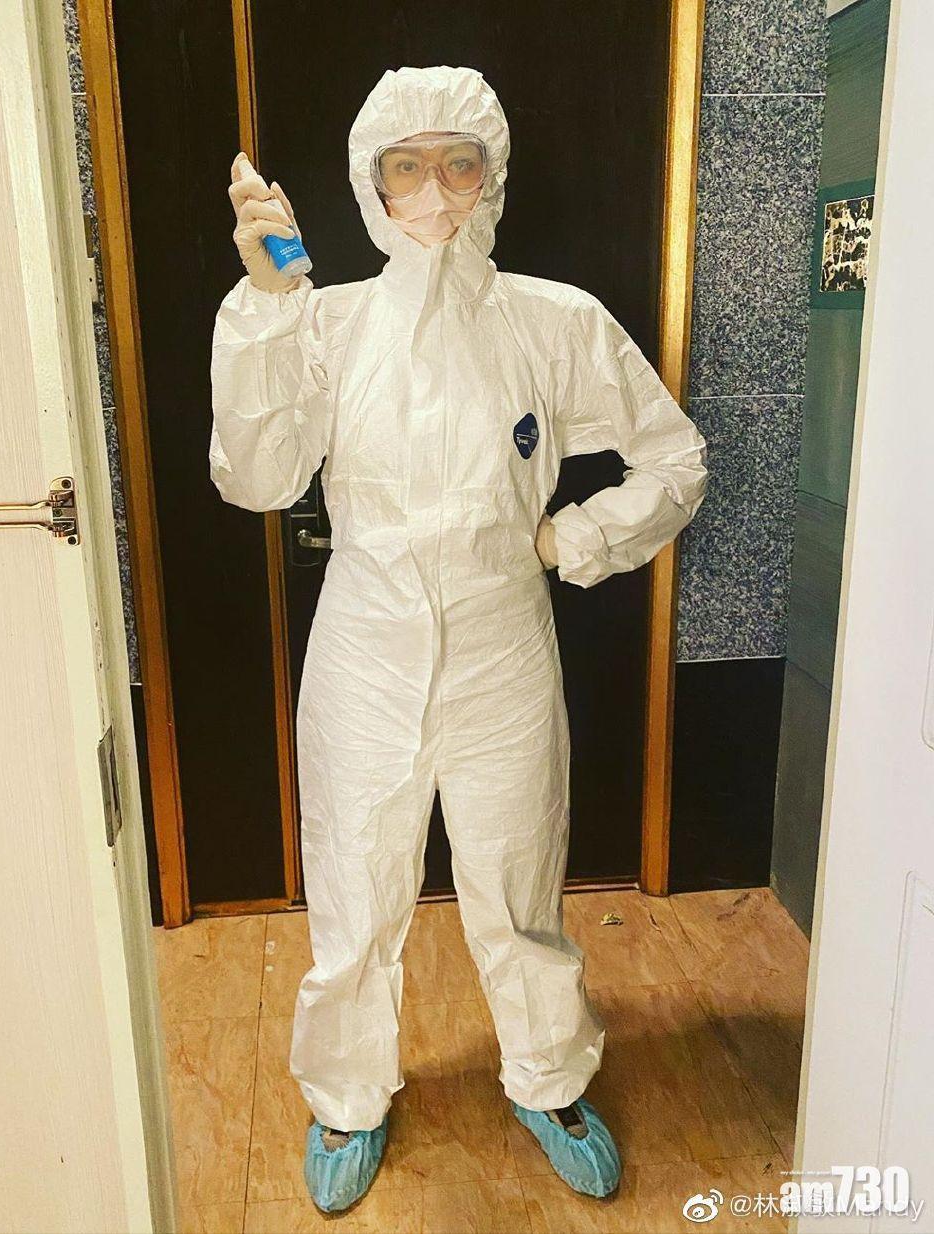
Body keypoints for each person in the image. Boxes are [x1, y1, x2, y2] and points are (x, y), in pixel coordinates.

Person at [210, 65, 709, 1213]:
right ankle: (346, 1097)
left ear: (492, 173)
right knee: (352, 885)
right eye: (405, 165)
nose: (432, 191)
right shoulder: (326, 322)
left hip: (501, 643)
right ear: (368, 181)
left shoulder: (551, 320)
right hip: (364, 645)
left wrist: (572, 539)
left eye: (457, 163)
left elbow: (673, 458)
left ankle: (549, 1080)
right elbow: (257, 477)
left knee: (517, 881)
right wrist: (268, 303)